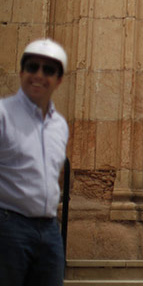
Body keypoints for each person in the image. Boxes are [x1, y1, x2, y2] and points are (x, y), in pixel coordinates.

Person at [0, 39, 69, 285]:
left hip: (49, 230)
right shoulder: (3, 114)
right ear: (21, 72)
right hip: (9, 226)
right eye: (32, 67)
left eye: (48, 70)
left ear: (59, 80)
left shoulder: (59, 126)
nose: (38, 75)